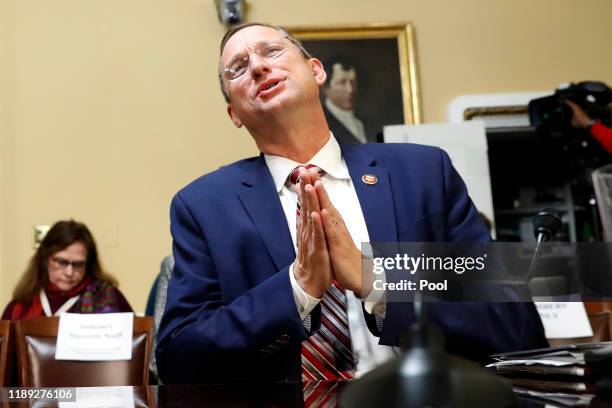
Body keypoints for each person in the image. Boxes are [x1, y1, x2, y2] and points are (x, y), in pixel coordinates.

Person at [157, 22, 546, 385]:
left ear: (316, 71)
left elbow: (513, 321)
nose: (257, 66)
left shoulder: (423, 174)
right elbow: (178, 359)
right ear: (233, 114)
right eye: (237, 68)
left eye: (271, 51)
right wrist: (298, 289)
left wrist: (376, 283)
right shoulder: (204, 207)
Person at [1, 220, 132, 320]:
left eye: (78, 264)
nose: (69, 272)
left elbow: (136, 346)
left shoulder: (108, 297)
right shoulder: (22, 305)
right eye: (61, 262)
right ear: (45, 258)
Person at [322, 56, 372, 144]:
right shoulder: (320, 123)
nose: (350, 90)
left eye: (353, 82)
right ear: (326, 87)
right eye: (342, 82)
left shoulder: (367, 122)